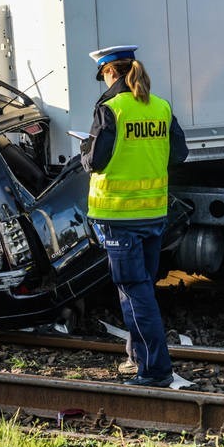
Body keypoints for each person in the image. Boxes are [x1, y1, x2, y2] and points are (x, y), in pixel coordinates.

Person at [80, 45, 188, 388]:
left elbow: (95, 161)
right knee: (141, 290)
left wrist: (84, 149)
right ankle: (138, 359)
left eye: (103, 76)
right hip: (154, 214)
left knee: (135, 293)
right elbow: (179, 154)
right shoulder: (161, 107)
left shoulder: (110, 109)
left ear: (109, 73)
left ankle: (155, 371)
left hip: (119, 215)